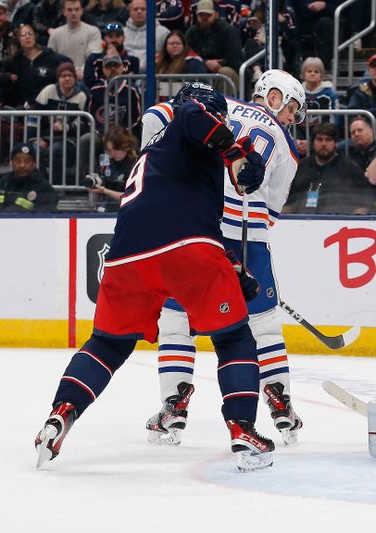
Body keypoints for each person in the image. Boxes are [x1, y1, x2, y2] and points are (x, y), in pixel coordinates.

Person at [34, 84, 275, 472]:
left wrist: (229, 265)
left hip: (126, 258)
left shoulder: (156, 154)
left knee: (108, 345)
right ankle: (243, 430)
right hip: (185, 249)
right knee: (232, 336)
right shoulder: (187, 122)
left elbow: (181, 214)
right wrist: (233, 151)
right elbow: (193, 115)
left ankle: (61, 413)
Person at [141, 72, 307, 447]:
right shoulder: (288, 147)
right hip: (250, 236)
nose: (292, 117)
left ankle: (173, 408)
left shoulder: (220, 105)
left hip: (200, 224)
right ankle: (281, 407)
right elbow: (273, 210)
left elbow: (157, 119)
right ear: (275, 97)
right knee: (263, 326)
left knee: (176, 320)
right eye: (292, 108)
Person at [285, 121, 370, 214]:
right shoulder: (300, 167)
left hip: (338, 222)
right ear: (313, 142)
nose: (323, 144)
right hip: (300, 221)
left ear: (336, 143)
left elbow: (364, 203)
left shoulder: (350, 168)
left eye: (328, 139)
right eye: (319, 139)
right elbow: (288, 203)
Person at [0, 23, 68, 108]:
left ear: (35, 37)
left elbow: (66, 65)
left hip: (46, 106)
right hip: (21, 106)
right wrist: (9, 77)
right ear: (19, 39)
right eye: (23, 35)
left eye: (30, 34)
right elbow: (0, 77)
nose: (27, 37)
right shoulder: (14, 60)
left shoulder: (50, 57)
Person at [185, 0, 242, 89]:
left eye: (208, 15)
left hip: (225, 71)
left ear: (216, 14)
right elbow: (185, 55)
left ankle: (225, 102)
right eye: (201, 15)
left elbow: (235, 60)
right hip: (199, 69)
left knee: (226, 72)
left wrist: (219, 63)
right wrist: (205, 62)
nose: (204, 18)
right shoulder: (191, 32)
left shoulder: (229, 31)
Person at [0, 141, 58, 212]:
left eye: (27, 161)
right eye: (18, 161)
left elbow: (48, 216)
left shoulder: (44, 187)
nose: (22, 165)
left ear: (34, 164)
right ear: (11, 163)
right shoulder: (3, 183)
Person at [46, 0, 103, 79]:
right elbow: (50, 61)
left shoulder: (94, 32)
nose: (73, 13)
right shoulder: (55, 34)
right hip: (63, 78)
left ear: (82, 11)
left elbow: (94, 58)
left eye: (76, 9)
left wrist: (80, 72)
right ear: (63, 12)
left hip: (86, 78)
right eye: (69, 10)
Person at [86, 126, 138, 208]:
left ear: (124, 147)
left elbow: (130, 196)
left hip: (126, 208)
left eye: (114, 150)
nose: (111, 154)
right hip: (104, 207)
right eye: (109, 150)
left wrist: (105, 191)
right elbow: (102, 181)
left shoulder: (134, 165)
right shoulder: (106, 161)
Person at [84, 22, 140, 89]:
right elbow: (89, 82)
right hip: (99, 96)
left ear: (123, 38)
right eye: (110, 36)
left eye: (118, 36)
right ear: (104, 38)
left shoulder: (133, 61)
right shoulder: (93, 59)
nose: (114, 39)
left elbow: (131, 83)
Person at [155, 29, 207, 99]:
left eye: (178, 43)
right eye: (171, 43)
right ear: (165, 46)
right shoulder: (158, 61)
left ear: (184, 45)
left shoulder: (193, 61)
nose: (175, 46)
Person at [346, 53, 376, 128]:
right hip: (363, 133)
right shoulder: (361, 90)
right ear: (369, 71)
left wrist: (365, 116)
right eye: (373, 66)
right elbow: (352, 115)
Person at [124, 0, 169, 72]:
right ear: (129, 13)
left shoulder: (163, 32)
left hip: (155, 76)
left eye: (143, 9)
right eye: (135, 9)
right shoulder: (122, 33)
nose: (139, 12)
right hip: (127, 76)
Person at [301, 56, 339, 125]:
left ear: (321, 75)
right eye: (309, 71)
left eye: (316, 71)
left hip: (323, 131)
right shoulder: (298, 92)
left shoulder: (329, 94)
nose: (312, 74)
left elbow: (334, 117)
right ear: (303, 74)